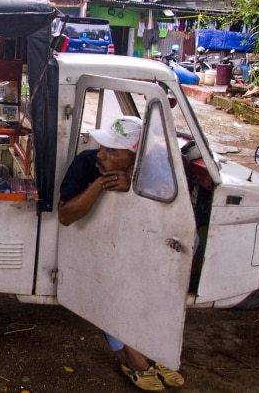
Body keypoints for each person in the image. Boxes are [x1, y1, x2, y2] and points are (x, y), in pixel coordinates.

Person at [58, 116, 185, 391]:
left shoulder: (156, 169)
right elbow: (65, 216)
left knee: (157, 285)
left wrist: (134, 189)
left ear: (135, 155)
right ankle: (136, 359)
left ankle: (156, 349)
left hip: (139, 246)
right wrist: (99, 185)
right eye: (102, 146)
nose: (101, 154)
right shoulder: (86, 162)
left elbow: (171, 219)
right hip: (95, 247)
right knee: (111, 284)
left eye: (112, 151)